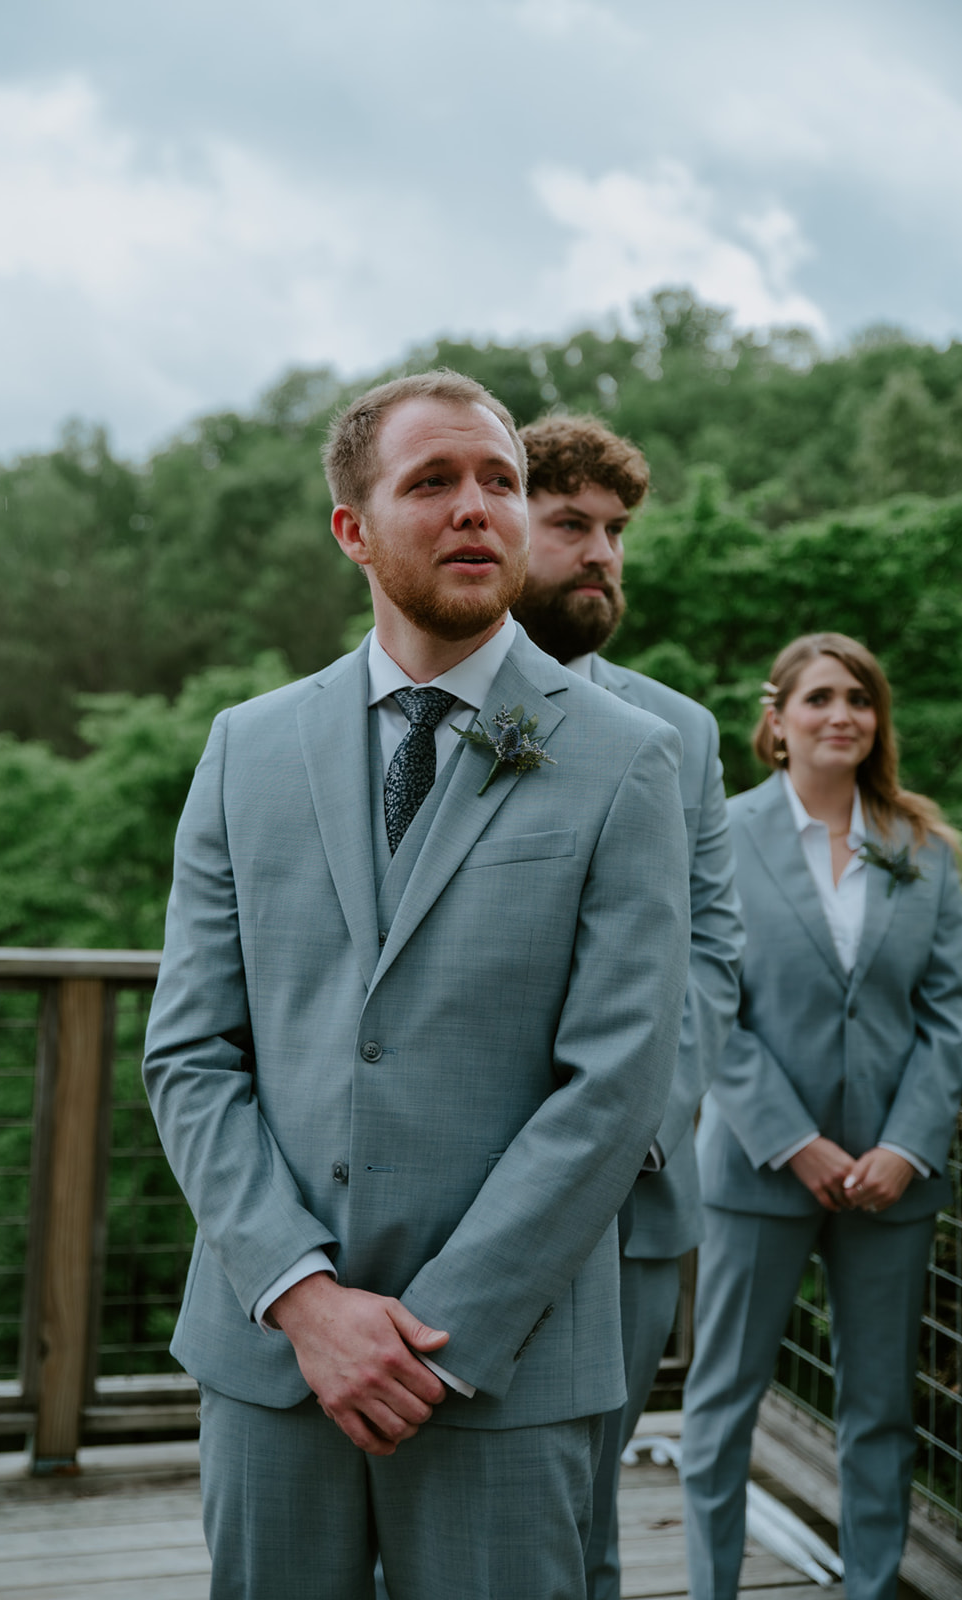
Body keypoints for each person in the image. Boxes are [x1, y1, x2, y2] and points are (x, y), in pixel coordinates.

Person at [143, 369, 692, 1600]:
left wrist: (436, 1337)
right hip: (272, 1357)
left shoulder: (627, 761)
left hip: (504, 1364)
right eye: (432, 481)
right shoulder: (247, 746)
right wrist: (305, 1297)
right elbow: (190, 1053)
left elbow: (615, 1086)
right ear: (353, 528)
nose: (475, 508)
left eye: (500, 481)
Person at [511, 413, 744, 1600]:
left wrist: (648, 1109)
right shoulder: (424, 718)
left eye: (615, 532)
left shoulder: (682, 733)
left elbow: (713, 945)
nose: (602, 552)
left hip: (639, 1196)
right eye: (570, 525)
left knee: (587, 1513)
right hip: (455, 1192)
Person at [681, 631, 962, 1600]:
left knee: (881, 1409)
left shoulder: (926, 850)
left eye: (860, 697)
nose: (842, 712)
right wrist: (795, 1142)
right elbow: (710, 998)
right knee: (721, 1402)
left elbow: (949, 1013)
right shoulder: (723, 834)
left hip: (895, 1177)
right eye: (820, 697)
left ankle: (872, 1587)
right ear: (779, 720)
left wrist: (907, 1146)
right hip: (760, 1170)